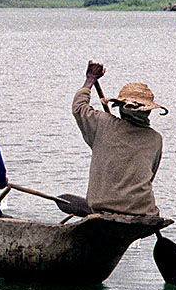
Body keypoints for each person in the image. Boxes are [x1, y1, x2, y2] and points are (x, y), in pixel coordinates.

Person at [71, 61, 166, 217]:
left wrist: (90, 79)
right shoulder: (156, 139)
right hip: (143, 211)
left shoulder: (103, 124)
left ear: (120, 107)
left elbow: (79, 107)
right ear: (147, 112)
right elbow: (150, 176)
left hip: (103, 208)